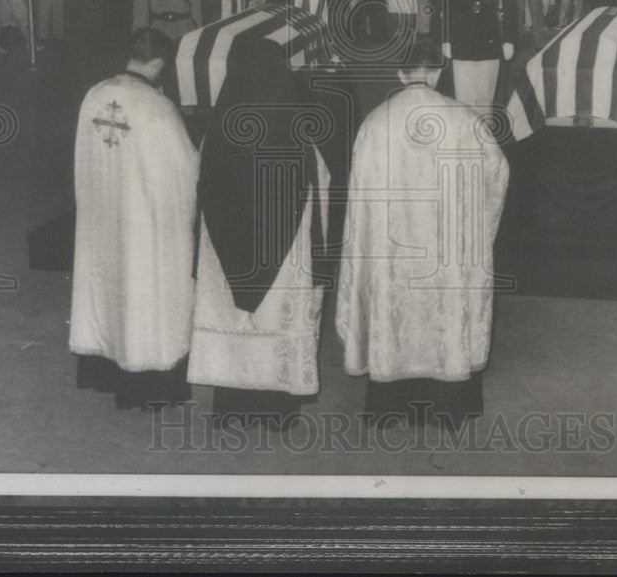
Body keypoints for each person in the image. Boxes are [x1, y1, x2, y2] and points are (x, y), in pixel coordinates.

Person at [336, 39, 509, 428]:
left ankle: (389, 406)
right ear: (438, 71)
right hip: (446, 257)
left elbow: (357, 199)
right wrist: (477, 229)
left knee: (392, 311)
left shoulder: (374, 123)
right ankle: (447, 407)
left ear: (400, 73)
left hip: (391, 257)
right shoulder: (465, 121)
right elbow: (498, 175)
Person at [188, 37, 330, 427]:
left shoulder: (216, 132)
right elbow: (320, 188)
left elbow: (199, 190)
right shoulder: (298, 133)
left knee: (233, 322)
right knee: (275, 322)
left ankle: (230, 406)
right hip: (283, 257)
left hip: (225, 254)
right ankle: (277, 410)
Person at [69, 28, 199, 408]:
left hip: (102, 216)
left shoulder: (94, 95)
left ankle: (104, 370)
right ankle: (148, 385)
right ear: (159, 64)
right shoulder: (157, 108)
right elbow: (185, 171)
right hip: (141, 227)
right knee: (144, 297)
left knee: (107, 289)